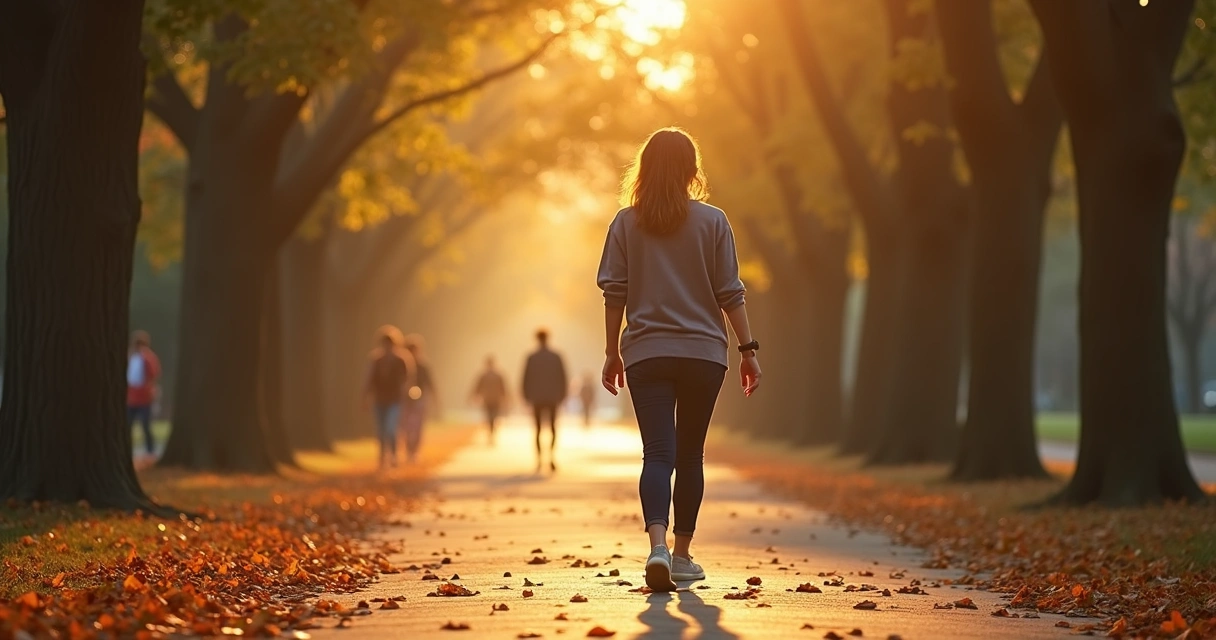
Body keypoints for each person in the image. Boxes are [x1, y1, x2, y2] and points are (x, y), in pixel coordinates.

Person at [597, 127, 762, 592]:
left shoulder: (625, 223)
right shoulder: (714, 221)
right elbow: (730, 292)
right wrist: (748, 351)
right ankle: (684, 554)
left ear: (644, 170)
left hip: (647, 352)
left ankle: (656, 548)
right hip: (704, 354)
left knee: (657, 453)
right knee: (690, 454)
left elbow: (615, 293)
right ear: (692, 171)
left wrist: (612, 352)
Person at [364, 325, 415, 470]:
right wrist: (365, 397)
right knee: (380, 430)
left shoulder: (401, 360)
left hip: (395, 400)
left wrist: (406, 394)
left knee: (391, 429)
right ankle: (382, 458)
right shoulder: (376, 360)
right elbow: (369, 380)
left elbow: (407, 379)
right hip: (379, 400)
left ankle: (393, 456)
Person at [522, 328, 568, 472]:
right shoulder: (556, 357)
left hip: (536, 398)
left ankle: (539, 459)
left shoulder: (531, 357)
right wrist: (562, 395)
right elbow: (563, 377)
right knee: (553, 428)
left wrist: (526, 396)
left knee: (538, 429)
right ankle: (551, 457)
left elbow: (525, 379)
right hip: (553, 397)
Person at [401, 334, 438, 464]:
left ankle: (414, 451)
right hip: (405, 399)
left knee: (417, 427)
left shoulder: (423, 365)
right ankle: (408, 450)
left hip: (421, 398)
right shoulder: (402, 364)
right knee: (406, 427)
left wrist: (435, 397)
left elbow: (430, 382)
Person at [127, 330, 162, 456]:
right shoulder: (133, 357)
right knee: (131, 425)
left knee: (145, 425)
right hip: (133, 397)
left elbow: (153, 375)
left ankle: (150, 451)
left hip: (142, 397)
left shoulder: (146, 358)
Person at [470, 355, 509, 442]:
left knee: (489, 416)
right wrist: (505, 397)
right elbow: (503, 388)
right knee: (494, 416)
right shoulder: (498, 375)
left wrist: (474, 396)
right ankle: (492, 430)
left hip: (487, 399)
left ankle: (491, 430)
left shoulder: (484, 375)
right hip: (496, 399)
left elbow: (477, 387)